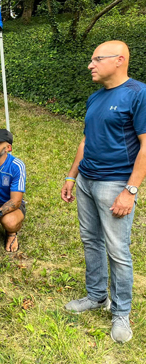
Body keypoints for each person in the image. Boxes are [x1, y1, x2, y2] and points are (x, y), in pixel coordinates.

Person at [61, 41, 146, 343]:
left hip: (115, 184)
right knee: (90, 241)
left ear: (119, 60)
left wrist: (130, 190)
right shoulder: (95, 98)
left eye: (97, 59)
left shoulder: (138, 94)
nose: (90, 65)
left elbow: (145, 146)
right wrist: (72, 177)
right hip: (87, 180)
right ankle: (96, 295)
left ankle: (121, 312)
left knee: (117, 250)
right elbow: (85, 141)